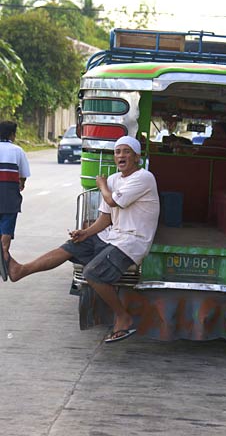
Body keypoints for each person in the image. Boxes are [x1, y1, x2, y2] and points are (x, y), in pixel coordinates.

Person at [1, 136, 160, 343]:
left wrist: (102, 185)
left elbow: (112, 200)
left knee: (92, 273)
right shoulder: (113, 180)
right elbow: (106, 216)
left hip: (132, 242)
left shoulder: (144, 178)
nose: (121, 156)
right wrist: (86, 233)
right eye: (118, 152)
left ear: (137, 157)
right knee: (72, 245)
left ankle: (123, 317)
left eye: (126, 151)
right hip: (112, 236)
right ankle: (20, 270)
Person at [0, 120, 30, 279]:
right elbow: (23, 176)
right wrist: (21, 184)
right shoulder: (18, 151)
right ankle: (4, 253)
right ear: (12, 134)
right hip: (10, 198)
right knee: (6, 229)